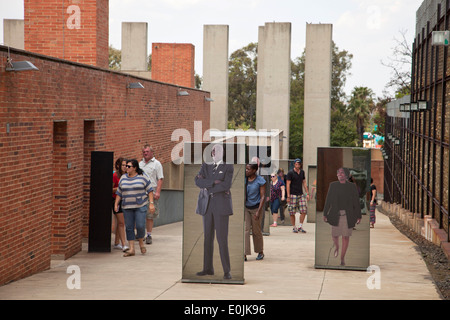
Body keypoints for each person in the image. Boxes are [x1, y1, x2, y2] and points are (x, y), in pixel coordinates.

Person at [194, 144, 234, 280]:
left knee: (222, 239)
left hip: (221, 207)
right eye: (212, 151)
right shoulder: (206, 166)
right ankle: (208, 268)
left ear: (222, 153)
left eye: (217, 151)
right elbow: (197, 182)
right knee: (207, 238)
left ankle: (227, 271)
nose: (214, 153)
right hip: (207, 206)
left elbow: (226, 185)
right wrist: (213, 182)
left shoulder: (228, 166)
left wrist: (207, 185)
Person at [115, 159, 155, 257]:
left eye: (129, 166)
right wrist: (116, 204)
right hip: (127, 206)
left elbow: (150, 190)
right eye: (126, 166)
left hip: (140, 206)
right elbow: (119, 193)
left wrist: (151, 203)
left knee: (140, 225)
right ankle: (132, 248)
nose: (126, 168)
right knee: (129, 227)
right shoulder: (123, 178)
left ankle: (141, 242)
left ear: (135, 168)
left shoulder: (142, 177)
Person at [323, 167, 361, 266]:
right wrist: (325, 213)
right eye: (338, 172)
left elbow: (356, 201)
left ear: (346, 175)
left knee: (345, 236)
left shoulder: (352, 186)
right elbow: (328, 200)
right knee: (335, 235)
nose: (340, 174)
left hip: (347, 215)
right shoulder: (333, 185)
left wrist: (358, 215)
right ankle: (336, 247)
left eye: (342, 173)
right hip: (335, 214)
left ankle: (342, 258)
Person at [139, 145, 164, 245]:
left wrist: (157, 192)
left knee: (150, 214)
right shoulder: (140, 164)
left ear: (152, 152)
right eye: (144, 151)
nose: (145, 153)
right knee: (140, 213)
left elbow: (160, 178)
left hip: (152, 191)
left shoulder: (157, 164)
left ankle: (148, 235)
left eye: (147, 151)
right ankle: (140, 234)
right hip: (140, 191)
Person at [244, 162, 266, 261]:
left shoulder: (260, 180)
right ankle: (244, 253)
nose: (246, 170)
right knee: (245, 230)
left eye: (248, 169)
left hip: (256, 208)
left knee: (256, 231)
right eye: (246, 169)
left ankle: (260, 251)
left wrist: (258, 212)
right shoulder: (244, 179)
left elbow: (262, 197)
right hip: (246, 208)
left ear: (254, 170)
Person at [286, 158, 309, 233]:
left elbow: (304, 182)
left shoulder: (302, 172)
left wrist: (307, 193)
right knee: (292, 212)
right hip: (293, 194)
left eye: (299, 164)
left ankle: (300, 226)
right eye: (296, 164)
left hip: (301, 194)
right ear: (294, 164)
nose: (297, 165)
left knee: (304, 210)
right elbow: (288, 184)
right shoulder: (290, 173)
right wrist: (288, 196)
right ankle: (294, 227)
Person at [112, 157, 128, 252]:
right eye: (123, 165)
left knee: (120, 222)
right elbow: (110, 189)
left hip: (126, 200)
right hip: (116, 200)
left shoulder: (127, 175)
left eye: (126, 165)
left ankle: (116, 242)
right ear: (119, 166)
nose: (125, 167)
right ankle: (123, 244)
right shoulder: (115, 175)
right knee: (122, 222)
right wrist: (120, 188)